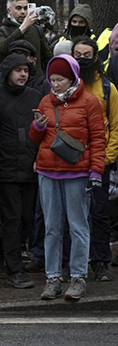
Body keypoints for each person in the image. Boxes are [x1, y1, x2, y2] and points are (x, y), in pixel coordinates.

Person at [31, 55, 106, 300]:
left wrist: (96, 171)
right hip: (48, 172)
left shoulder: (89, 102)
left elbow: (97, 139)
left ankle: (77, 277)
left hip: (77, 172)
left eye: (60, 79)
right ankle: (52, 278)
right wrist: (39, 127)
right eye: (52, 79)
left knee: (78, 226)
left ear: (72, 77)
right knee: (51, 227)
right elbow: (35, 139)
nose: (55, 84)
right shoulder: (44, 102)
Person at [0, 53, 41, 290]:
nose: (23, 74)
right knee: (11, 219)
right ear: (8, 71)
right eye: (18, 70)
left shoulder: (34, 96)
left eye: (26, 70)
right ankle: (14, 269)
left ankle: (7, 256)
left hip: (30, 168)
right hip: (5, 169)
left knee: (26, 219)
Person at [71, 38, 118, 282]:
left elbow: (116, 126)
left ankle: (100, 262)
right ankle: (74, 263)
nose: (81, 58)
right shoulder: (64, 87)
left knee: (99, 213)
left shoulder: (108, 89)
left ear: (95, 57)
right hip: (70, 162)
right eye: (77, 54)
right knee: (73, 215)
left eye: (86, 54)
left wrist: (107, 157)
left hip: (99, 161)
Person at [0, 0, 52, 75]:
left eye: (25, 8)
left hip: (36, 80)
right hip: (12, 80)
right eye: (18, 8)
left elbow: (47, 57)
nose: (23, 12)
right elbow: (3, 48)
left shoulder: (37, 30)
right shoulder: (1, 31)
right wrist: (23, 27)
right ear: (9, 11)